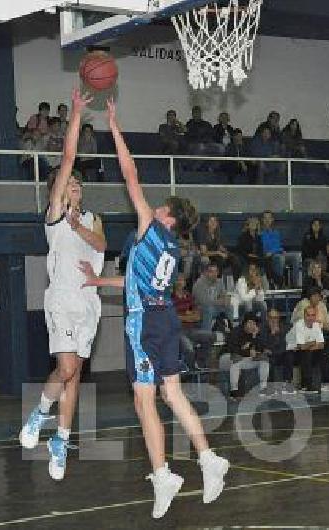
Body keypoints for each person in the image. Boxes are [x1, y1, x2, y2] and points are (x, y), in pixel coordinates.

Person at [79, 97, 228, 519]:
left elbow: (130, 174)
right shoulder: (172, 249)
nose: (156, 204)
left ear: (168, 216)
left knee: (145, 400)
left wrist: (114, 128)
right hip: (162, 316)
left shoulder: (150, 225)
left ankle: (163, 474)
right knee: (172, 394)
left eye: (163, 205)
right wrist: (99, 281)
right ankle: (208, 458)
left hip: (144, 322)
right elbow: (134, 282)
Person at [19, 88, 106, 482]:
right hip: (61, 300)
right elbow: (68, 157)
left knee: (74, 374)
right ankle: (39, 414)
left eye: (79, 186)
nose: (77, 188)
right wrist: (75, 113)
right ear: (60, 188)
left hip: (90, 304)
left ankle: (60, 439)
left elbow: (103, 245)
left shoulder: (91, 220)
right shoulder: (54, 216)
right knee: (67, 367)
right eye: (71, 184)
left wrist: (80, 227)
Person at [222, 312, 271, 399]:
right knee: (236, 360)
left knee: (264, 360)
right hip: (227, 358)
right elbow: (232, 350)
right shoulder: (236, 331)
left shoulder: (255, 333)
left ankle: (263, 388)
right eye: (250, 323)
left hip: (245, 360)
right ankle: (234, 390)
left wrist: (255, 336)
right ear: (245, 323)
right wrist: (248, 353)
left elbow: (262, 349)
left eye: (254, 323)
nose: (252, 325)